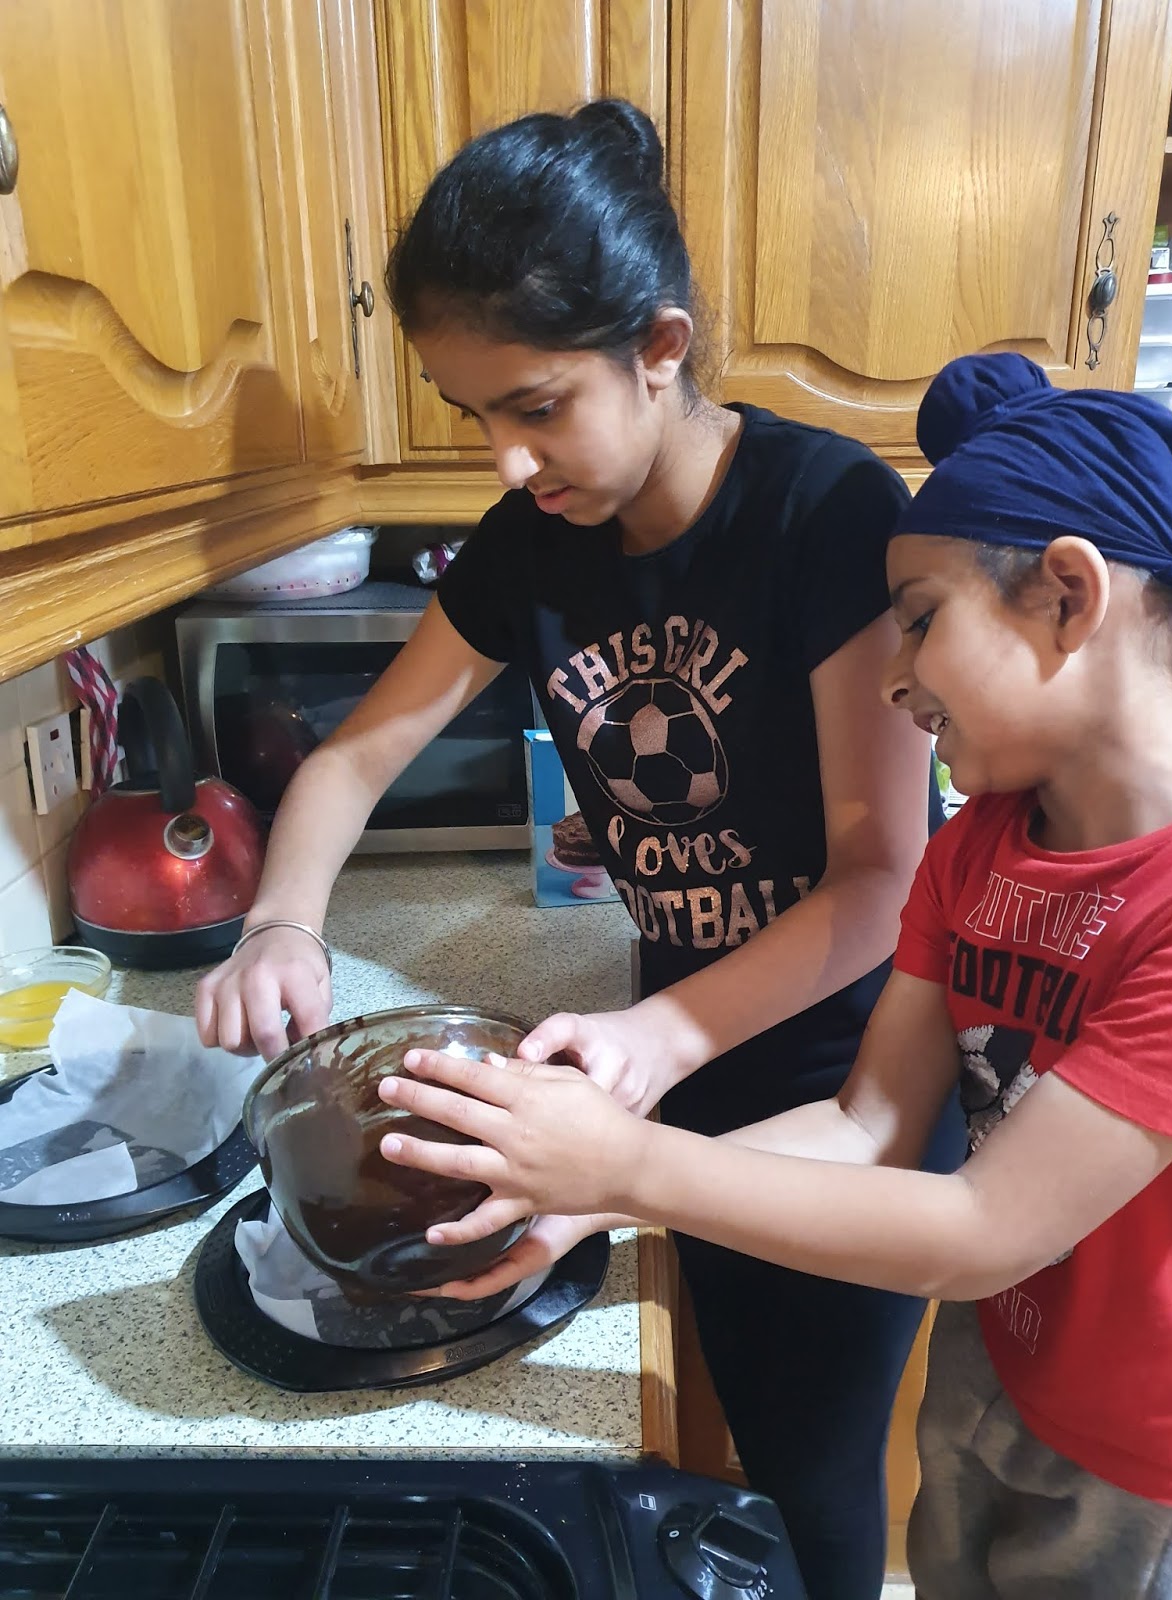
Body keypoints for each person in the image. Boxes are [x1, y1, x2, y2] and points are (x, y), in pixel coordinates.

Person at [194, 98, 962, 1600]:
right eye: (472, 411)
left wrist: (660, 1033)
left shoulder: (822, 512)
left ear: (659, 346)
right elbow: (355, 753)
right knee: (721, 1441)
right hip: (654, 1046)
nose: (502, 456)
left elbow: (883, 881)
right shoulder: (531, 541)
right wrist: (279, 924)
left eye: (535, 405)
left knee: (815, 1472)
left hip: (846, 1073)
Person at [377, 352, 1172, 1600]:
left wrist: (628, 1163)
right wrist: (593, 1202)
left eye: (921, 617)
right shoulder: (979, 846)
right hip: (1001, 1364)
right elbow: (869, 1123)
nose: (898, 673)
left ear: (1068, 595)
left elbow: (982, 1228)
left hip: (1152, 1454)